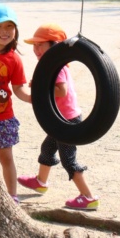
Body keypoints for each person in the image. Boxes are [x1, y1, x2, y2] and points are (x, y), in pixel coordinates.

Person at [18, 24, 99, 210]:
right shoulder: (48, 65)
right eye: (34, 45)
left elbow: (61, 91)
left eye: (41, 45)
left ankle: (88, 197)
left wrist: (40, 88)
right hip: (60, 119)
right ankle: (40, 181)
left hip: (67, 121)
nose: (36, 49)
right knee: (47, 148)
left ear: (54, 46)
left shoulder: (58, 66)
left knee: (68, 160)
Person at [0, 4, 31, 204]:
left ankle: (12, 195)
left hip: (3, 117)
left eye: (9, 27)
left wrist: (35, 99)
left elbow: (19, 89)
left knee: (5, 158)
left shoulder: (14, 59)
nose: (4, 32)